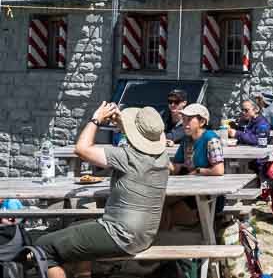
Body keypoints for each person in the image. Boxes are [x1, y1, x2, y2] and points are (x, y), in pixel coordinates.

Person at [36, 102, 169, 278]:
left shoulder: (126, 156)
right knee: (78, 228)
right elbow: (145, 137)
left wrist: (96, 119)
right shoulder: (163, 157)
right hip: (144, 236)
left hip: (120, 236)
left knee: (43, 247)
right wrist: (124, 124)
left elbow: (82, 149)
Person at [163, 104, 224, 229]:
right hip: (188, 189)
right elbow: (176, 167)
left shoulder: (211, 139)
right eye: (184, 119)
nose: (185, 123)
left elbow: (219, 170)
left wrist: (198, 171)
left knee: (163, 211)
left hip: (207, 195)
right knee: (158, 204)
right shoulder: (186, 140)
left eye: (189, 119)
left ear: (202, 122)